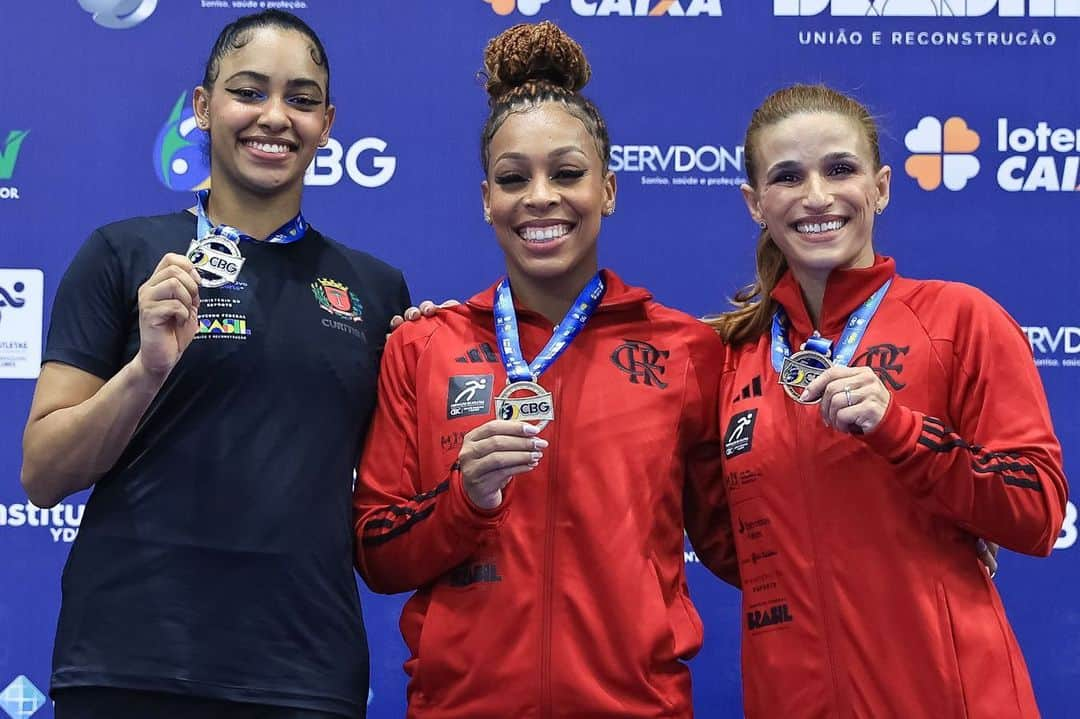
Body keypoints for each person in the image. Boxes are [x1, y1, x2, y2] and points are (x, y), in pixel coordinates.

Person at [20, 10, 411, 718]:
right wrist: (143, 370)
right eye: (249, 91)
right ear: (202, 108)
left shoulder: (375, 290)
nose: (274, 117)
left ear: (327, 122)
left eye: (299, 99)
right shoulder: (122, 256)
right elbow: (44, 472)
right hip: (129, 664)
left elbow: (391, 500)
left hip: (305, 673)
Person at [351, 21, 729, 718]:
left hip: (636, 706)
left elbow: (740, 543)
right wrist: (464, 496)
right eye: (513, 178)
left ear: (609, 188)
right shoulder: (423, 346)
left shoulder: (685, 349)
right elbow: (378, 554)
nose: (541, 198)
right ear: (486, 199)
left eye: (567, 172)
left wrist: (906, 523)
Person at [699, 83, 1068, 718]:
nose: (817, 196)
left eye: (840, 169)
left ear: (881, 187)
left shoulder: (960, 319)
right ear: (755, 203)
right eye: (788, 177)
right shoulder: (725, 357)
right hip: (792, 699)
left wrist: (901, 431)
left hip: (954, 698)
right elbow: (729, 543)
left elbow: (1036, 512)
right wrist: (465, 334)